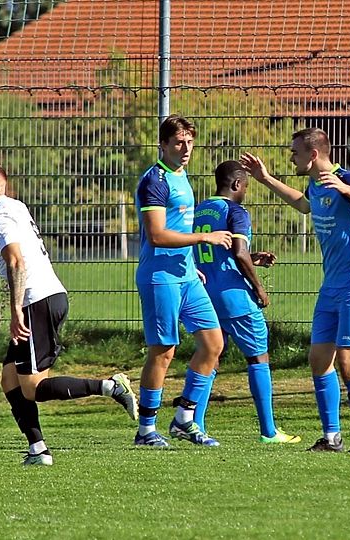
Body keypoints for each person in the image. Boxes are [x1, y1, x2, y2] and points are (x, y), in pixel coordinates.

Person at [0, 148, 138, 466]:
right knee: (10, 380)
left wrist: (16, 309)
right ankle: (38, 450)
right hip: (49, 296)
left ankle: (111, 387)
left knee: (32, 388)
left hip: (35, 302)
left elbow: (15, 261)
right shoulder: (11, 205)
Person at [240, 128, 350, 454]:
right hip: (332, 284)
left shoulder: (343, 176)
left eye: (294, 152)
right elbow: (304, 205)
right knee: (319, 360)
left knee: (349, 363)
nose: (291, 157)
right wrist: (265, 179)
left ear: (313, 154)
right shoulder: (314, 184)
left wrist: (348, 189)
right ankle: (331, 437)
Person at [133, 115, 231, 448]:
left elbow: (177, 223)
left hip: (187, 275)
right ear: (163, 145)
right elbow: (157, 235)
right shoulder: (155, 180)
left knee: (213, 344)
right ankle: (146, 430)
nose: (186, 148)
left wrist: (192, 264)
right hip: (160, 276)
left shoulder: (181, 175)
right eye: (179, 142)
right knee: (164, 351)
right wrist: (203, 240)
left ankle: (184, 419)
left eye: (190, 141)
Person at [191, 160, 301, 444]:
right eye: (247, 187)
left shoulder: (201, 209)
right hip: (235, 297)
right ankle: (269, 431)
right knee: (258, 357)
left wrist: (254, 260)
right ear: (237, 184)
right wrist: (259, 287)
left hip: (206, 295)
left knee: (210, 358)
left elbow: (219, 256)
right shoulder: (235, 210)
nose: (246, 192)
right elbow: (239, 253)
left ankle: (195, 425)